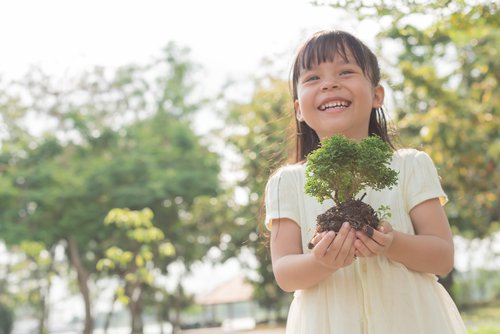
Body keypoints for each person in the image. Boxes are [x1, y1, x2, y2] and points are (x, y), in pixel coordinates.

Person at [264, 30, 467, 333]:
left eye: (345, 72)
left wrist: (392, 243)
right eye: (312, 78)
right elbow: (285, 273)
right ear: (298, 110)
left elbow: (442, 257)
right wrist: (323, 262)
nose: (330, 83)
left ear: (377, 95)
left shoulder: (410, 165)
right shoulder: (286, 183)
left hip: (412, 321)